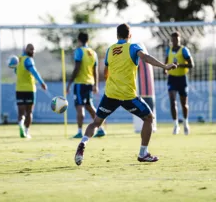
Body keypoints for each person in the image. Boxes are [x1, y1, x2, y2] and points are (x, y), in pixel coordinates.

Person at [74, 23, 177, 166]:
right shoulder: (133, 47)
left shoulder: (110, 50)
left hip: (110, 94)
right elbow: (146, 58)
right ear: (130, 35)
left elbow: (105, 72)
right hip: (128, 96)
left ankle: (83, 143)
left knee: (96, 122)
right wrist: (164, 66)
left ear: (117, 36)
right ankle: (143, 153)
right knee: (149, 118)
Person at [66, 32, 106, 138]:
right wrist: (96, 85)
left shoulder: (79, 51)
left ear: (79, 40)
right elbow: (95, 71)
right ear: (87, 40)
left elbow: (77, 68)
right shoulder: (93, 53)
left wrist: (69, 83)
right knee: (89, 106)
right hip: (90, 82)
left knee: (80, 107)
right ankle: (101, 129)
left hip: (80, 83)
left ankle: (79, 131)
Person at [164, 32, 194, 135]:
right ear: (171, 40)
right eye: (173, 39)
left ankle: (185, 123)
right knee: (172, 101)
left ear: (179, 39)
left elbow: (191, 64)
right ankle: (176, 125)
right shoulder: (168, 50)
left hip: (182, 79)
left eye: (176, 39)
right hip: (172, 78)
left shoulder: (184, 50)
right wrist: (165, 69)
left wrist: (179, 65)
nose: (174, 41)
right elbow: (166, 62)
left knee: (183, 103)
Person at [15, 43, 47, 138]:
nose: (33, 51)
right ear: (26, 50)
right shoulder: (28, 60)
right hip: (29, 89)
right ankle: (26, 131)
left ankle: (20, 123)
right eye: (31, 49)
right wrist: (42, 83)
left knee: (21, 112)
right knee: (29, 112)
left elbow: (15, 71)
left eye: (33, 49)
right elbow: (34, 72)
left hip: (19, 89)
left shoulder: (19, 59)